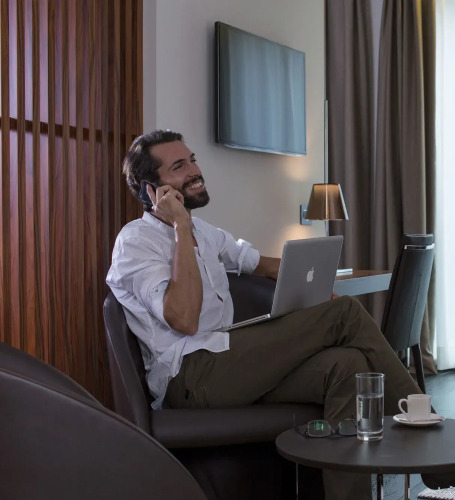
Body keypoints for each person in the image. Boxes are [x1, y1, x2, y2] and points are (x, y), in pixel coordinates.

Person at [106, 129, 423, 500]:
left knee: (346, 365)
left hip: (228, 363)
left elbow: (261, 264)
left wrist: (317, 287)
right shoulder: (135, 242)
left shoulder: (206, 232)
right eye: (179, 167)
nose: (195, 170)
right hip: (190, 377)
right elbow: (184, 319)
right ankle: (424, 429)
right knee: (346, 313)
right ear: (151, 190)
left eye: (192, 160)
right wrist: (181, 227)